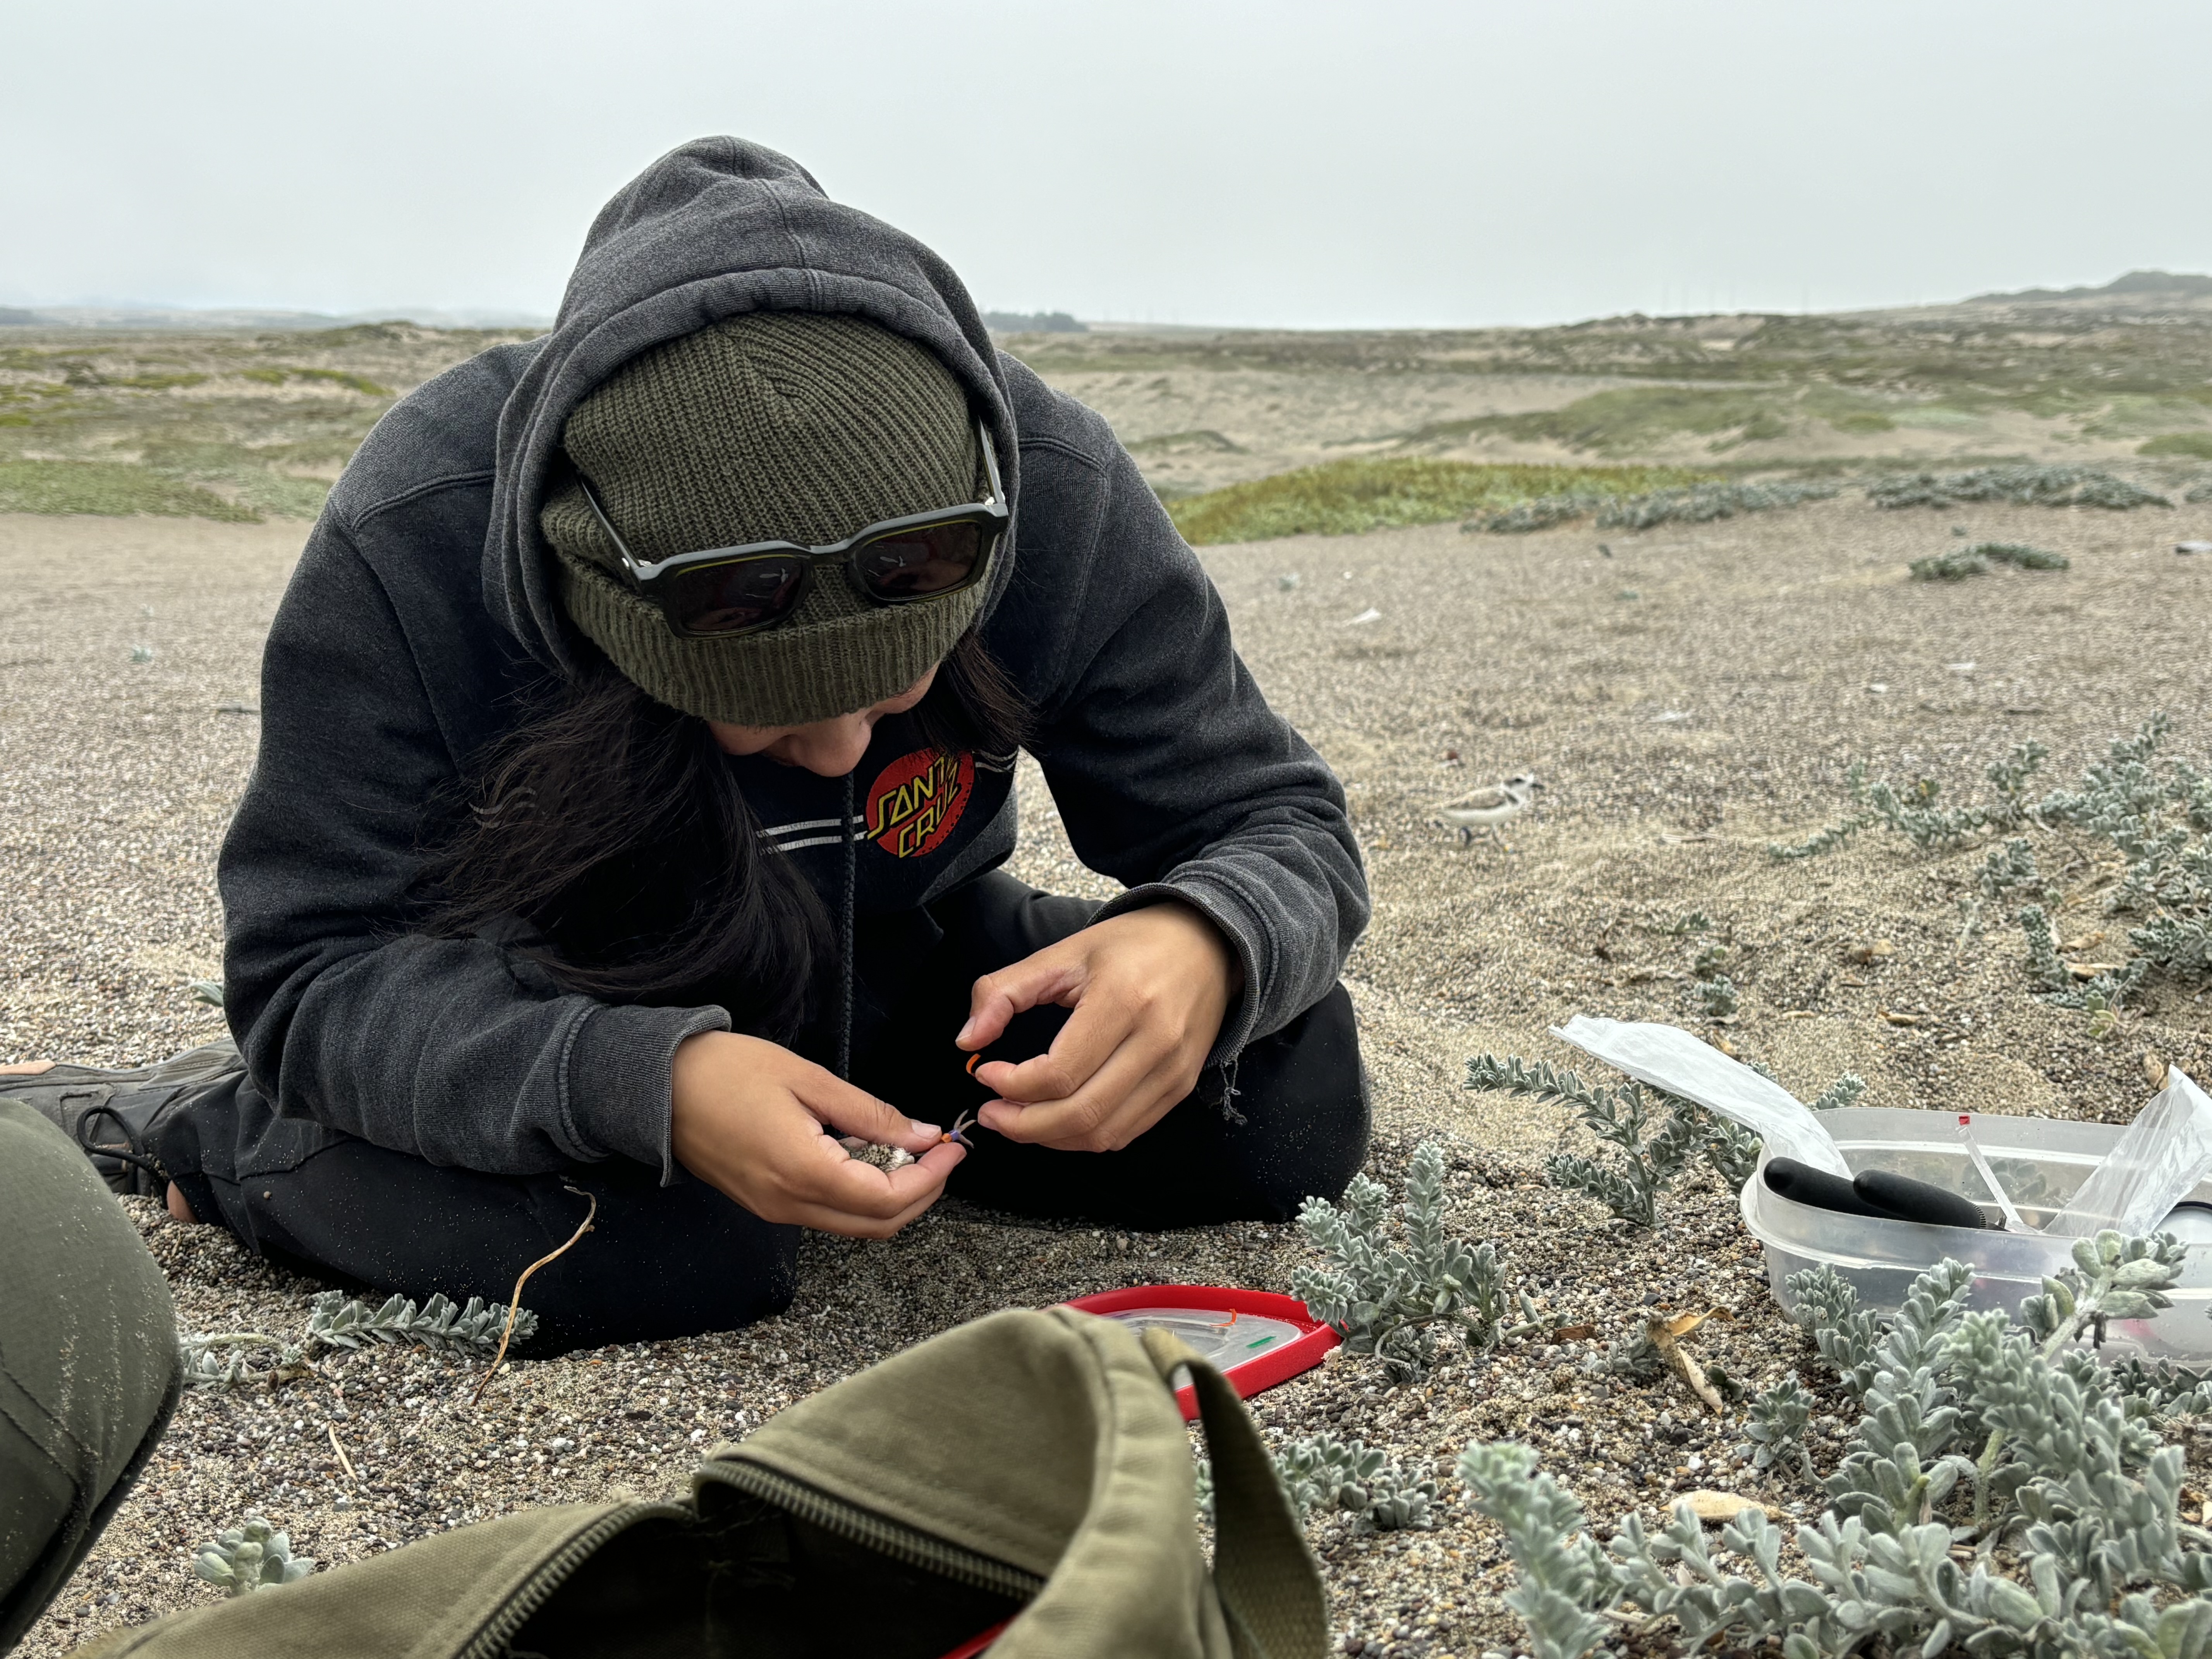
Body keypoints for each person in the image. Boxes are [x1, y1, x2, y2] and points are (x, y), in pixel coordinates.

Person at [25, 137, 1370, 1355]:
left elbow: (1279, 821)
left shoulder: (1044, 490)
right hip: (550, 1000)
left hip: (901, 977)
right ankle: (202, 1129)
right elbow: (312, 975)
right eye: (776, 712)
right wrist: (647, 1082)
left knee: (1293, 1096)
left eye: (895, 690)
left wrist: (1204, 940)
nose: (846, 751)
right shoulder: (417, 535)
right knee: (661, 1254)